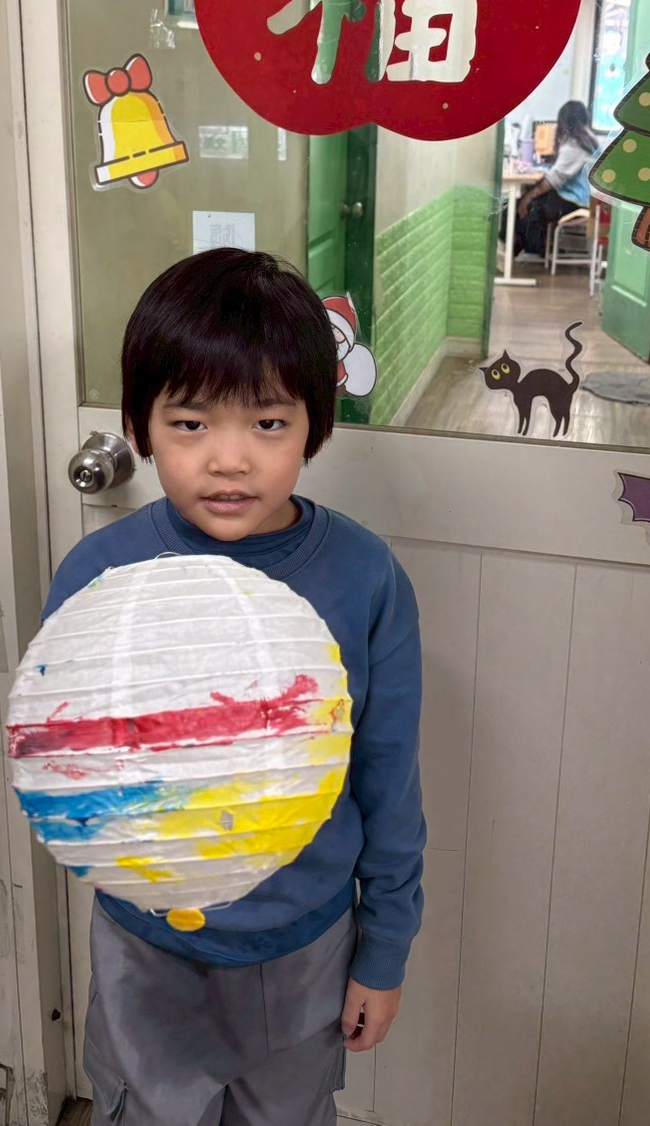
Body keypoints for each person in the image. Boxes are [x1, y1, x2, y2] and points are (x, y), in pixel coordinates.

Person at [42, 248, 426, 1126]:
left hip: (306, 944)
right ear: (138, 425)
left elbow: (389, 780)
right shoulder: (99, 572)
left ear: (314, 425)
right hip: (146, 944)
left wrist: (385, 949)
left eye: (267, 422)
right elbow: (67, 755)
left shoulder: (364, 578)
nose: (228, 459)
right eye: (189, 422)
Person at [514, 99, 599, 258]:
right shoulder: (588, 139)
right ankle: (524, 248)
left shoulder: (574, 145)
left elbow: (553, 179)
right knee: (528, 201)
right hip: (584, 198)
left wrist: (527, 197)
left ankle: (522, 250)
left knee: (529, 205)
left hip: (578, 200)